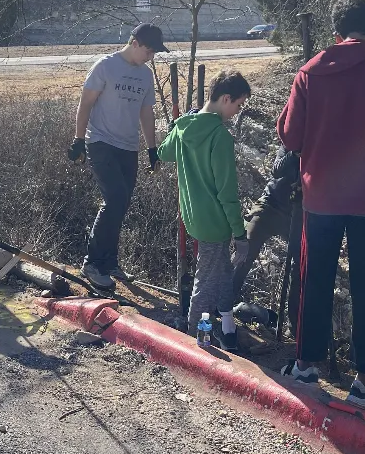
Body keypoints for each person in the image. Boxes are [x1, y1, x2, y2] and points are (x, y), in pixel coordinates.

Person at [276, 0, 365, 407]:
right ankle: (364, 380)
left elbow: (290, 136)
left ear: (336, 32)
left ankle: (306, 365)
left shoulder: (309, 73)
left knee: (315, 280)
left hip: (320, 196)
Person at [158, 71, 252, 352]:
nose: (236, 113)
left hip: (193, 216)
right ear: (226, 99)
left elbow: (163, 152)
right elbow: (227, 193)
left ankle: (226, 327)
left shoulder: (185, 126)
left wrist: (177, 125)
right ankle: (192, 342)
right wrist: (240, 233)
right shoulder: (220, 137)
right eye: (237, 105)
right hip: (215, 221)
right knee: (205, 282)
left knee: (221, 270)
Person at [68, 23, 166, 291]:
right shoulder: (105, 66)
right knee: (115, 198)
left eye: (154, 53)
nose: (151, 56)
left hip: (128, 146)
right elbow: (86, 102)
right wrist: (78, 139)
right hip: (100, 141)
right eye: (149, 50)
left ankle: (110, 261)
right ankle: (92, 263)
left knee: (121, 204)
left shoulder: (145, 76)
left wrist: (152, 149)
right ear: (134, 43)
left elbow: (147, 113)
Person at [230, 144, 302, 331]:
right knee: (244, 248)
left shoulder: (322, 148)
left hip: (299, 215)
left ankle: (297, 329)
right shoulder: (291, 142)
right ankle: (220, 305)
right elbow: (277, 169)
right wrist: (295, 153)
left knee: (301, 267)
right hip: (270, 206)